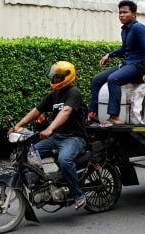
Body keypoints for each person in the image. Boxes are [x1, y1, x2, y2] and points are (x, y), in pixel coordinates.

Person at [10, 61, 88, 210]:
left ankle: (78, 194)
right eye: (54, 77)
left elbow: (66, 112)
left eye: (58, 77)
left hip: (74, 138)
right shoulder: (53, 95)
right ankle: (43, 185)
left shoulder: (74, 93)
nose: (55, 80)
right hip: (57, 137)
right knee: (30, 153)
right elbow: (36, 111)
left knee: (64, 160)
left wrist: (50, 128)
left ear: (67, 77)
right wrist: (18, 126)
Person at [88, 0, 145, 127]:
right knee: (97, 80)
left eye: (125, 12)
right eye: (120, 13)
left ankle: (114, 117)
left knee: (113, 79)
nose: (121, 15)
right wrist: (110, 55)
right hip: (128, 65)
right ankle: (94, 113)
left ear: (134, 14)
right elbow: (125, 49)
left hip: (139, 66)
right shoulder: (125, 30)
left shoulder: (138, 28)